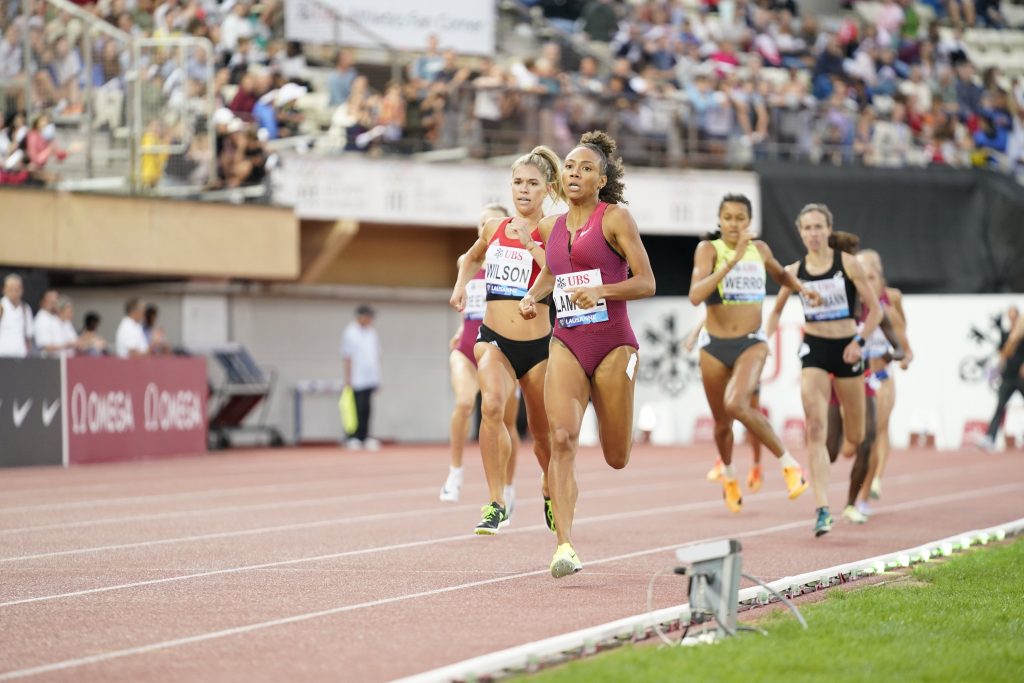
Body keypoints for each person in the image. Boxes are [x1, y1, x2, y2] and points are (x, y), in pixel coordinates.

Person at [519, 131, 656, 578]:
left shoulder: (615, 218)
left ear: (601, 179)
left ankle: (622, 391)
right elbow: (553, 275)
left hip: (614, 343)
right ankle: (565, 547)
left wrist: (601, 289)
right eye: (570, 167)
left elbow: (646, 283)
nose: (575, 173)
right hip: (567, 340)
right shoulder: (551, 227)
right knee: (561, 438)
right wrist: (531, 297)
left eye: (586, 168)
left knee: (616, 456)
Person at [450, 146, 564, 535]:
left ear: (548, 189)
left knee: (542, 432)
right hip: (494, 339)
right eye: (517, 182)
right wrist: (461, 286)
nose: (523, 190)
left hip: (538, 348)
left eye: (533, 184)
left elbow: (557, 270)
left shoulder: (552, 229)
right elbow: (470, 258)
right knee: (492, 406)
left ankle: (550, 488)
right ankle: (496, 501)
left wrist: (529, 246)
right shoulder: (493, 228)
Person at [687, 194, 816, 513]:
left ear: (749, 221)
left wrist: (803, 288)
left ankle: (790, 466)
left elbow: (780, 274)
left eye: (740, 218)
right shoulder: (708, 250)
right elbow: (695, 295)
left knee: (736, 404)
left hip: (751, 342)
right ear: (720, 220)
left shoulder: (759, 250)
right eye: (728, 217)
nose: (734, 224)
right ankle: (730, 476)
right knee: (721, 424)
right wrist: (730, 261)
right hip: (714, 347)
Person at [765, 205, 881, 537]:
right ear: (800, 232)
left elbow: (874, 311)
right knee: (815, 428)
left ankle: (847, 444)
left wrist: (859, 341)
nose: (813, 234)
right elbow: (774, 313)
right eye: (807, 228)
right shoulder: (795, 271)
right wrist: (761, 343)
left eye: (818, 227)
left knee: (855, 438)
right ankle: (822, 510)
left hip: (847, 349)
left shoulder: (849, 264)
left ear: (828, 229)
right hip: (814, 350)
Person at [440, 203, 523, 503]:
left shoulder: (518, 262)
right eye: (482, 223)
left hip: (501, 352)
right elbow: (467, 304)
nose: (486, 227)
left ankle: (508, 488)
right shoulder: (467, 260)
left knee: (506, 424)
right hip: (466, 350)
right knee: (464, 403)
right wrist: (462, 330)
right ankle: (455, 472)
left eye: (493, 222)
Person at [684, 311, 769, 492]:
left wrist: (762, 344)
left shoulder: (748, 297)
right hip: (721, 354)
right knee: (723, 412)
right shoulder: (721, 295)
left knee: (750, 413)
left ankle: (756, 465)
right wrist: (693, 335)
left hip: (746, 352)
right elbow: (712, 314)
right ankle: (723, 461)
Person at [857, 249, 913, 501]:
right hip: (858, 376)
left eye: (872, 274)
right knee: (859, 435)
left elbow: (903, 337)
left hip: (882, 375)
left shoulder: (892, 299)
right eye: (862, 274)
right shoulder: (852, 303)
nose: (867, 281)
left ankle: (875, 479)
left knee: (879, 428)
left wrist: (900, 357)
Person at [976, 303, 1024, 453]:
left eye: (1014, 314)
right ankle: (990, 437)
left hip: (1021, 378)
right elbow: (1002, 354)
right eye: (1009, 315)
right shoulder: (1006, 334)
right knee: (999, 407)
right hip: (1008, 377)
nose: (1011, 318)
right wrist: (997, 370)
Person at [341, 304, 382, 451]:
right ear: (360, 316)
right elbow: (347, 356)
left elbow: (376, 356)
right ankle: (353, 436)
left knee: (367, 409)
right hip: (356, 377)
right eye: (368, 316)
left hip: (370, 376)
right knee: (355, 408)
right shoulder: (350, 332)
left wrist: (378, 378)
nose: (370, 319)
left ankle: (365, 436)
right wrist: (348, 378)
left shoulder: (372, 333)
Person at [0, 274, 33, 357]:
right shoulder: (1, 306)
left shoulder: (26, 309)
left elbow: (28, 336)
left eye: (17, 289)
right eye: (11, 289)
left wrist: (29, 354)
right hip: (2, 354)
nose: (14, 291)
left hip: (20, 354)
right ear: (4, 290)